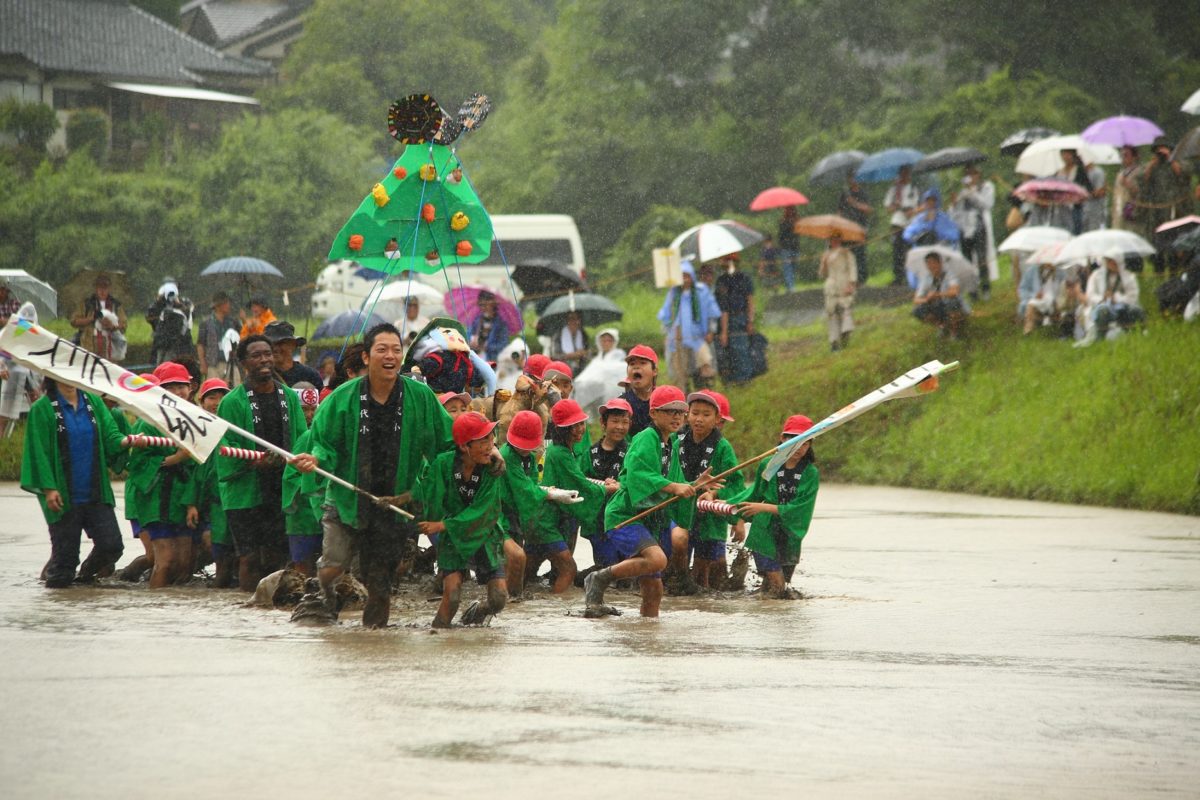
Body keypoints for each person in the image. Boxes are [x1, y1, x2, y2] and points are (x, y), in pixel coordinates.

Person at [303, 323, 456, 628]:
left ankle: (374, 641)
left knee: (380, 585)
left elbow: (446, 442)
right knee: (333, 567)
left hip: (394, 506)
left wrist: (480, 451)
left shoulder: (420, 397)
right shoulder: (342, 398)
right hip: (347, 498)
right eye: (382, 349)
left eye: (396, 350)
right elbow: (323, 442)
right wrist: (315, 458)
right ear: (366, 357)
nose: (390, 356)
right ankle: (323, 595)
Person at [584, 386, 703, 618]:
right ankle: (599, 577)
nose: (677, 416)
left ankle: (647, 639)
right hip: (626, 515)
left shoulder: (671, 443)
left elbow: (675, 479)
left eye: (680, 411)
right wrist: (673, 487)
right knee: (657, 560)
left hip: (651, 518)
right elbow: (638, 475)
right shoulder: (645, 438)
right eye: (670, 411)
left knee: (654, 590)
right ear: (653, 414)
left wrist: (695, 484)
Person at [217, 335, 313, 592]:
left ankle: (273, 618)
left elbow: (303, 441)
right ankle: (250, 616)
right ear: (243, 362)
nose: (264, 360)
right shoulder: (232, 402)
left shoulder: (290, 398)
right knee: (249, 558)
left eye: (268, 354)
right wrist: (254, 461)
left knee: (277, 556)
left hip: (280, 487)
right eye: (256, 355)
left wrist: (292, 460)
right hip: (245, 490)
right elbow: (224, 448)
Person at [21, 377, 127, 588]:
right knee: (64, 562)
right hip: (63, 495)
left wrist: (129, 441)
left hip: (95, 492)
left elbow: (111, 435)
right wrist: (49, 489)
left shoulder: (93, 402)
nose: (68, 380)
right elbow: (38, 451)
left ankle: (85, 577)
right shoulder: (42, 408)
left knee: (112, 545)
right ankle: (58, 602)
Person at [415, 412, 509, 628]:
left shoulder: (492, 470)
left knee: (498, 599)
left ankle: (478, 611)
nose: (490, 445)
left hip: (484, 533)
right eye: (482, 440)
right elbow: (430, 496)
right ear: (465, 446)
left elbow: (483, 510)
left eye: (490, 438)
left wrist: (443, 525)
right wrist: (423, 518)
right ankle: (437, 633)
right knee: (453, 596)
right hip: (454, 538)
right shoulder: (443, 464)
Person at [124, 363, 198, 588]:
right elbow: (136, 464)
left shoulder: (197, 421)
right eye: (170, 387)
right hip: (156, 499)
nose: (177, 392)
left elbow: (201, 466)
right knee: (164, 561)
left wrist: (192, 502)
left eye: (181, 386)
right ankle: (154, 609)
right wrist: (174, 459)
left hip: (183, 497)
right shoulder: (147, 423)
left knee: (185, 563)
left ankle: (176, 612)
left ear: (191, 388)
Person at [735, 414, 820, 598]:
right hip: (764, 531)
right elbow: (753, 494)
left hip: (790, 534)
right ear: (783, 439)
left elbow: (800, 509)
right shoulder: (768, 464)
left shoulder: (810, 473)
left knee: (774, 592)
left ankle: (766, 620)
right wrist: (730, 507)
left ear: (810, 445)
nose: (798, 448)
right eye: (794, 441)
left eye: (804, 443)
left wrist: (764, 507)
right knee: (778, 586)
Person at [529, 400, 607, 594]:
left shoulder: (562, 451)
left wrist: (602, 484)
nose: (580, 429)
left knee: (526, 572)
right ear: (562, 430)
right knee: (568, 570)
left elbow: (577, 478)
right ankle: (558, 614)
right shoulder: (561, 454)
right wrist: (606, 490)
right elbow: (579, 484)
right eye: (575, 426)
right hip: (548, 522)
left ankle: (522, 607)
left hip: (542, 520)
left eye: (581, 424)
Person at [674, 391, 743, 592]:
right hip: (680, 512)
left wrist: (714, 494)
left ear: (717, 419)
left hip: (710, 518)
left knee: (709, 573)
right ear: (687, 414)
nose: (699, 419)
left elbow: (736, 485)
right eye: (695, 413)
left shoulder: (723, 448)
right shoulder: (676, 441)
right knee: (676, 560)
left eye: (706, 414)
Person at [185, 379, 234, 587]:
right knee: (213, 547)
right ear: (201, 401)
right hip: (210, 505)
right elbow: (194, 472)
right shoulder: (197, 429)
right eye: (211, 397)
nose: (217, 402)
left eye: (222, 396)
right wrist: (191, 504)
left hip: (232, 500)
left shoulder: (235, 428)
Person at [580, 398, 630, 572]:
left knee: (625, 569)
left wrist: (620, 484)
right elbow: (582, 483)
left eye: (625, 422)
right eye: (615, 421)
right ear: (603, 423)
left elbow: (636, 480)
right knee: (606, 565)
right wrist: (602, 488)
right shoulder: (590, 453)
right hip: (597, 520)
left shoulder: (632, 452)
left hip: (622, 518)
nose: (620, 427)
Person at [657, 261, 722, 392]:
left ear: (692, 276)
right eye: (681, 276)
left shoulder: (701, 292)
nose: (685, 280)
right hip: (678, 339)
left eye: (687, 276)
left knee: (702, 367)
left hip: (698, 337)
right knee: (681, 372)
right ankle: (683, 398)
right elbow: (666, 316)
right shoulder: (673, 294)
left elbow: (711, 313)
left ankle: (703, 395)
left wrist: (711, 330)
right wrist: (668, 334)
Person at [1138, 136, 1194, 273]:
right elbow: (1142, 180)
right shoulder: (1152, 166)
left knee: (1175, 243)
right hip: (1157, 211)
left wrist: (1171, 159)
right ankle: (1159, 269)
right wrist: (1153, 164)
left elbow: (1185, 174)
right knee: (1158, 243)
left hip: (1175, 211)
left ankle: (1174, 269)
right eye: (1158, 150)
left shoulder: (1179, 162)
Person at [1076, 250, 1146, 347]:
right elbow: (1090, 295)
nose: (1113, 264)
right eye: (1110, 261)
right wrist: (1102, 298)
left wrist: (1116, 298)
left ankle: (1136, 336)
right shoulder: (1096, 276)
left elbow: (1133, 297)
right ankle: (1099, 340)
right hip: (1102, 307)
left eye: (1115, 261)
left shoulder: (1128, 277)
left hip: (1123, 308)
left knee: (1136, 311)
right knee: (1103, 311)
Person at [951, 165, 998, 300]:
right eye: (968, 174)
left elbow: (987, 205)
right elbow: (955, 214)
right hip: (964, 227)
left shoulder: (986, 187)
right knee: (967, 260)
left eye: (973, 174)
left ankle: (985, 287)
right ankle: (972, 290)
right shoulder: (962, 192)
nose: (971, 177)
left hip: (978, 224)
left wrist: (973, 192)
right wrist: (955, 204)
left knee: (982, 257)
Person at [714, 253, 755, 385]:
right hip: (725, 319)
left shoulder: (744, 278)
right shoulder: (721, 280)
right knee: (727, 351)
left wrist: (750, 320)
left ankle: (743, 379)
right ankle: (731, 379)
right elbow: (723, 307)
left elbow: (750, 301)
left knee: (740, 349)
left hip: (739, 317)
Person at [0, 302, 40, 433]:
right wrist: (2, 369)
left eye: (30, 321)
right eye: (25, 321)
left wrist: (41, 384)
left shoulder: (38, 335)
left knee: (39, 409)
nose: (27, 325)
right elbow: (2, 354)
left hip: (32, 377)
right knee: (3, 415)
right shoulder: (9, 333)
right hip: (12, 376)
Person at [912, 251, 970, 339]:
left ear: (940, 263)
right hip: (938, 307)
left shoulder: (950, 274)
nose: (931, 266)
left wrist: (938, 295)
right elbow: (916, 299)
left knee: (952, 302)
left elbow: (954, 292)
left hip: (953, 305)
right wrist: (927, 299)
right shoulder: (926, 278)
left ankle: (954, 332)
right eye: (928, 264)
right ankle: (942, 326)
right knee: (918, 310)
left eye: (933, 263)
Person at [70, 273, 127, 360]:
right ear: (95, 288)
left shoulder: (116, 305)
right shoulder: (86, 304)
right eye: (100, 287)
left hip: (109, 344)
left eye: (105, 287)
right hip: (89, 344)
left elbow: (123, 324)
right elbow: (74, 321)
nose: (102, 291)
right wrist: (90, 319)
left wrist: (112, 326)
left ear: (109, 288)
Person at [818, 232, 857, 352]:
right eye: (831, 238)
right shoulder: (826, 255)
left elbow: (852, 268)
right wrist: (823, 262)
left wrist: (851, 284)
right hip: (831, 288)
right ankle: (834, 342)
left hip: (844, 285)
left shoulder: (846, 253)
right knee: (832, 314)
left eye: (835, 238)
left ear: (840, 239)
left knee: (845, 311)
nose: (833, 241)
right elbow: (822, 274)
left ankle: (845, 337)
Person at [884, 165, 920, 285]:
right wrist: (895, 206)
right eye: (902, 174)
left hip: (910, 223)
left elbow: (915, 208)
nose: (904, 176)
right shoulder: (893, 190)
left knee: (909, 250)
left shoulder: (914, 188)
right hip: (897, 222)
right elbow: (888, 207)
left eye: (906, 173)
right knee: (897, 251)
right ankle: (898, 277)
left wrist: (906, 209)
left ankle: (911, 276)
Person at [146, 279, 196, 364]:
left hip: (181, 345)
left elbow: (190, 315)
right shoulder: (160, 305)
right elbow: (150, 317)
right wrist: (159, 300)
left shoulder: (185, 302)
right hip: (162, 343)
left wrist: (178, 303)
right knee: (162, 369)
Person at [196, 291, 240, 381]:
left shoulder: (233, 322)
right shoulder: (206, 323)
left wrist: (244, 320)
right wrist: (203, 364)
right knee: (214, 391)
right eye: (226, 303)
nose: (229, 306)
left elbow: (242, 337)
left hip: (231, 363)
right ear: (218, 306)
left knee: (234, 390)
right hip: (213, 364)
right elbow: (200, 344)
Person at [263, 320, 322, 387]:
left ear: (293, 345)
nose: (275, 348)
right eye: (270, 344)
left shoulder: (310, 376)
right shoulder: (263, 376)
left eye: (280, 343)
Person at [838, 175, 873, 284]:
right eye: (850, 178)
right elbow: (839, 211)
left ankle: (861, 279)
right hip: (847, 229)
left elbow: (868, 209)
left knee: (860, 254)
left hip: (860, 228)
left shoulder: (863, 194)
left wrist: (854, 203)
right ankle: (849, 279)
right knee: (848, 254)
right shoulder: (844, 194)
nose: (852, 180)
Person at [618, 344, 658, 437]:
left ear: (655, 371)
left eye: (643, 363)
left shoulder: (664, 401)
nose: (636, 367)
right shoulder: (621, 403)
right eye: (632, 364)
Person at [1056, 149, 1094, 235]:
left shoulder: (1079, 170)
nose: (1066, 157)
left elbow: (1089, 188)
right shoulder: (1059, 171)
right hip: (1061, 207)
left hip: (1075, 208)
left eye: (1068, 154)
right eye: (1063, 154)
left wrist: (1080, 197)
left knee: (1074, 232)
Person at [1019, 262, 1063, 335]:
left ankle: (1051, 322)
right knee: (1031, 303)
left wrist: (1059, 300)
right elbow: (1022, 289)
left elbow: (1065, 287)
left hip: (1054, 301)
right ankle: (1028, 328)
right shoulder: (1032, 270)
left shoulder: (1060, 272)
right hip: (1039, 299)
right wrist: (1034, 295)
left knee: (1047, 301)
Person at [468, 291, 509, 363]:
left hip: (491, 359)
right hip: (475, 356)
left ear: (493, 304)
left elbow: (503, 344)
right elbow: (468, 335)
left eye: (486, 304)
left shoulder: (501, 324)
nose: (483, 307)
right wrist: (471, 342)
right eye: (480, 305)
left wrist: (488, 347)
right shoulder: (476, 320)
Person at [1112, 146, 1143, 233]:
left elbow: (1140, 193)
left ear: (1134, 157)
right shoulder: (1121, 173)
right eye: (1122, 155)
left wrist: (1128, 185)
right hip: (1119, 209)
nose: (1123, 158)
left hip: (1131, 211)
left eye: (1126, 155)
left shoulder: (1139, 172)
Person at [551, 311, 590, 375]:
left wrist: (584, 353)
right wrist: (570, 355)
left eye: (577, 319)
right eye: (571, 319)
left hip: (581, 369)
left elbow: (588, 351)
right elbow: (554, 356)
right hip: (563, 370)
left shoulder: (583, 334)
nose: (575, 321)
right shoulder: (558, 335)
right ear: (567, 321)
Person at [777, 206, 801, 292]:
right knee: (788, 268)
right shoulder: (785, 221)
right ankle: (791, 287)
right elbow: (781, 235)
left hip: (792, 248)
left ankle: (790, 287)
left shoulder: (796, 221)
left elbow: (781, 236)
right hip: (788, 248)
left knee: (791, 269)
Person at [1082, 159, 1108, 233]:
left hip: (1095, 211)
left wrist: (1084, 195)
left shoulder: (1098, 172)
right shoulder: (1081, 172)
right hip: (1083, 210)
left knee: (1093, 233)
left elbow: (1100, 191)